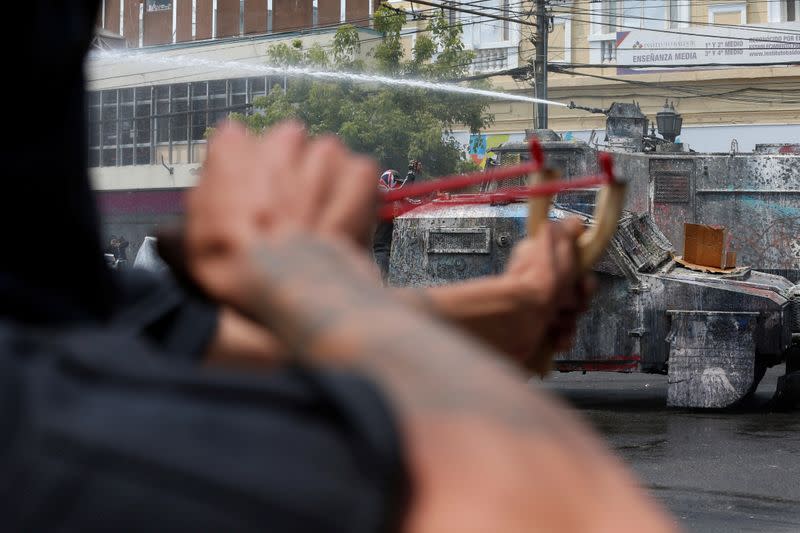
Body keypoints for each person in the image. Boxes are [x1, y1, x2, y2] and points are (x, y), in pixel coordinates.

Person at [0, 2, 676, 531]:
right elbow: (560, 510)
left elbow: (216, 345)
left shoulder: (56, 301)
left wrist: (504, 304)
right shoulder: (43, 434)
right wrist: (308, 273)